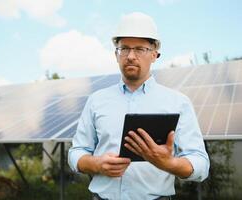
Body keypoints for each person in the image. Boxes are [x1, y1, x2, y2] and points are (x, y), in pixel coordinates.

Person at [68, 12, 209, 200]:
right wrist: (96, 164)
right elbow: (77, 152)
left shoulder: (177, 103)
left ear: (154, 54)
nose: (131, 56)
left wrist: (168, 164)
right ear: (116, 54)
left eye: (140, 49)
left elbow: (200, 163)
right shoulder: (96, 100)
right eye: (124, 48)